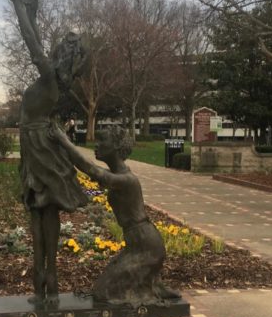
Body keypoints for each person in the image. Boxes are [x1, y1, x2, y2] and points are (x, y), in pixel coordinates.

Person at [52, 125, 180, 303]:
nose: (96, 144)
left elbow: (91, 169)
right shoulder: (117, 174)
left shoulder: (127, 180)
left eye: (102, 140)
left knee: (106, 292)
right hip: (137, 243)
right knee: (103, 290)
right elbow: (88, 168)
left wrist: (64, 142)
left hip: (147, 244)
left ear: (117, 147)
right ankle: (150, 284)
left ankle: (150, 287)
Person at [19, 32, 88, 303]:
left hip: (39, 147)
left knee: (42, 212)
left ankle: (47, 280)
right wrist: (29, 6)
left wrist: (18, 3)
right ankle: (46, 281)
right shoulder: (51, 82)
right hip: (36, 146)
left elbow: (32, 41)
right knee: (41, 212)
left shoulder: (49, 78)